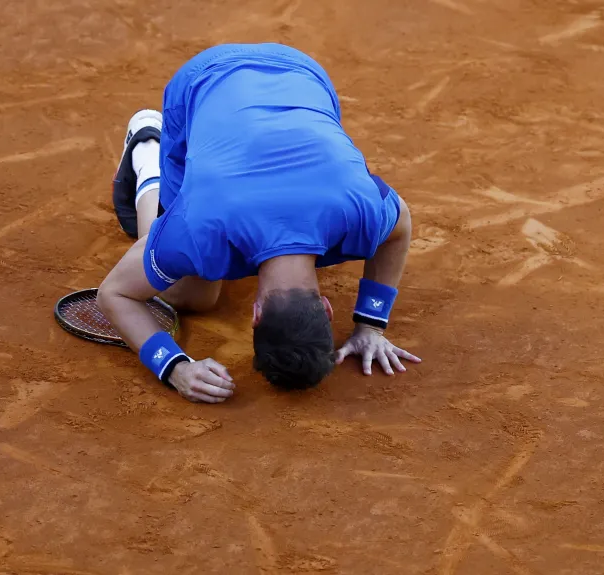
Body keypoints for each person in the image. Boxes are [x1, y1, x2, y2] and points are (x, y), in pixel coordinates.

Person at [97, 43, 421, 404]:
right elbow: (115, 292)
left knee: (198, 282)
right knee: (190, 295)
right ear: (255, 314)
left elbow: (400, 224)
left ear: (327, 307)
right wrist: (172, 366)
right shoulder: (200, 231)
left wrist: (371, 323)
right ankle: (147, 148)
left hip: (304, 72)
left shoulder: (360, 215)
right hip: (203, 81)